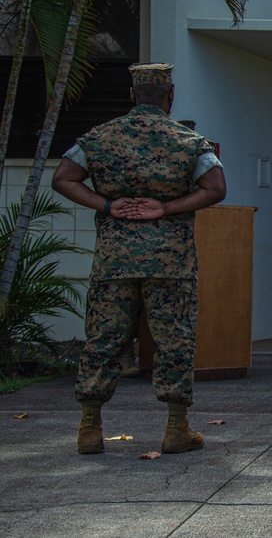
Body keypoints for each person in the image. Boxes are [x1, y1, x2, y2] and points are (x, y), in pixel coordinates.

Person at [51, 62, 226, 455]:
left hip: (115, 260)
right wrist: (165, 208)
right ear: (171, 95)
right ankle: (176, 428)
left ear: (132, 95)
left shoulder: (98, 137)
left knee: (104, 338)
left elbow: (63, 178)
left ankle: (90, 427)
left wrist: (108, 204)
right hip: (170, 262)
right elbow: (215, 188)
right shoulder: (188, 140)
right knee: (173, 340)